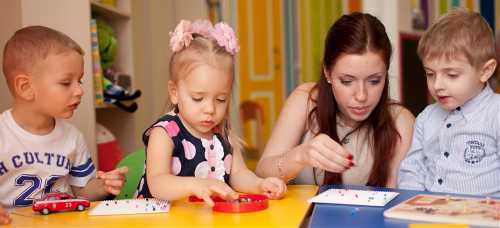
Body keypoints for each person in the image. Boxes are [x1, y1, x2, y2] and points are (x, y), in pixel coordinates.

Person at [135, 20, 287, 206]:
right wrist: (197, 185)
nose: (210, 109)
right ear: (174, 92)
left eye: (221, 99)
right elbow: (158, 182)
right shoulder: (165, 133)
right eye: (198, 98)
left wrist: (260, 184)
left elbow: (239, 174)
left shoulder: (223, 133)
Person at [255, 12, 415, 187]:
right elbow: (262, 172)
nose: (361, 95)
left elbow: (395, 202)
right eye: (347, 81)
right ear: (327, 73)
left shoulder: (400, 122)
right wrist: (301, 156)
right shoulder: (306, 100)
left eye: (374, 81)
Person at [0, 26, 128, 208]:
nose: (79, 91)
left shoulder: (72, 138)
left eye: (80, 81)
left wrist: (104, 185)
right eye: (66, 83)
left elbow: (81, 192)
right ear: (25, 87)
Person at [398, 9, 500, 196]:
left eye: (451, 75)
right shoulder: (426, 117)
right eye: (430, 74)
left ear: (485, 71)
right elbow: (412, 170)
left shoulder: (496, 114)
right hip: (429, 215)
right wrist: (409, 204)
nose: (437, 85)